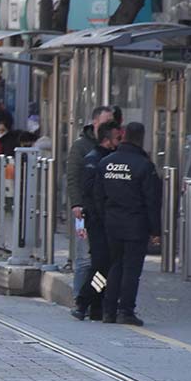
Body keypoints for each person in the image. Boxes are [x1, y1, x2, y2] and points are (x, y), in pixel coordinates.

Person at [93, 122, 160, 326]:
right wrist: (156, 230)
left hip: (112, 223)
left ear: (123, 136)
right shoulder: (144, 166)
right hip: (135, 225)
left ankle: (109, 311)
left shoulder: (106, 162)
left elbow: (97, 195)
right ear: (142, 138)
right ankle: (126, 311)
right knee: (131, 269)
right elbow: (152, 201)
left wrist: (105, 218)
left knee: (115, 266)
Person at [71, 121, 121, 321]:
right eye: (117, 138)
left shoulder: (106, 158)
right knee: (101, 264)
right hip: (98, 222)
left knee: (105, 265)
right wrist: (83, 223)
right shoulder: (94, 160)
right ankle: (84, 301)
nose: (120, 142)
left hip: (104, 220)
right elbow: (88, 195)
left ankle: (95, 305)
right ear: (107, 140)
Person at [66, 105, 114, 301]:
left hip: (104, 212)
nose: (109, 126)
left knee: (102, 261)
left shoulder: (112, 146)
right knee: (85, 258)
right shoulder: (81, 146)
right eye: (105, 122)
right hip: (84, 210)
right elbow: (73, 176)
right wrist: (76, 204)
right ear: (95, 123)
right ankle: (80, 298)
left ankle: (94, 298)